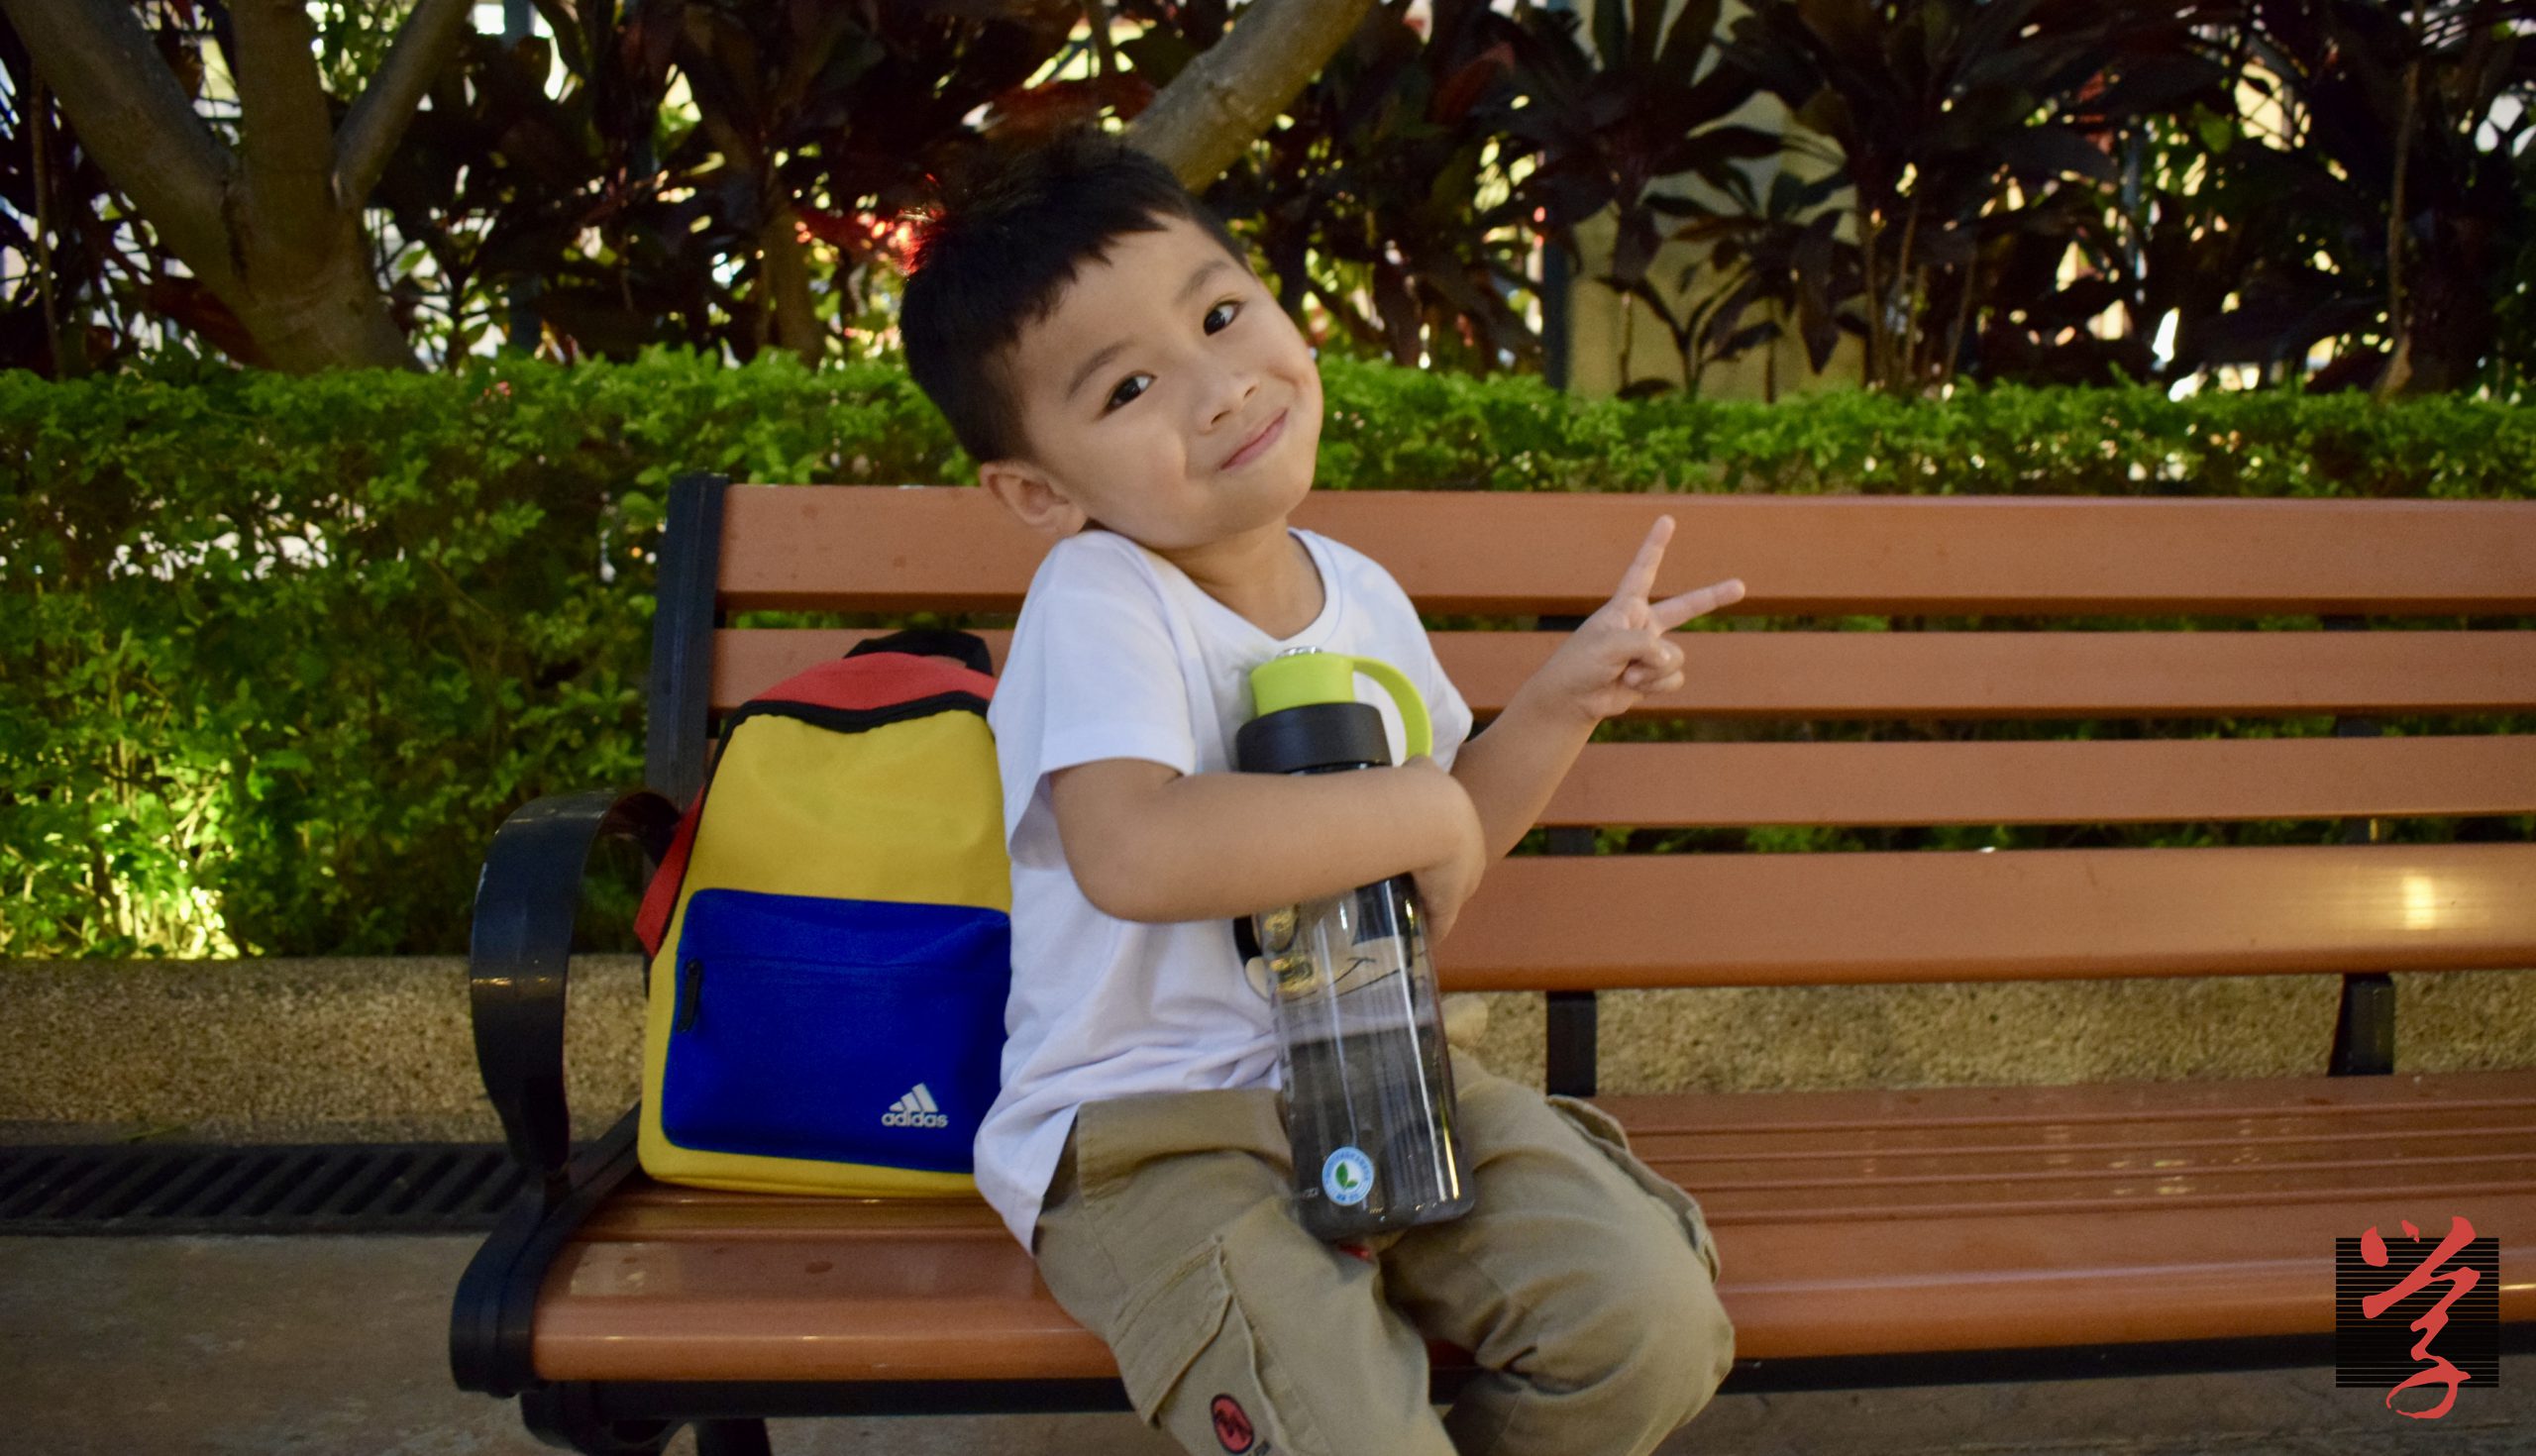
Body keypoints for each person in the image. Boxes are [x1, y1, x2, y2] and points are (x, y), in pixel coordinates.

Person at [898, 123, 1747, 1456]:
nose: (1218, 387)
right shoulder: (1100, 596)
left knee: (1645, 1321)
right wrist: (1417, 812)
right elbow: (1132, 847)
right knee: (1346, 1428)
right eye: (1129, 388)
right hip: (1155, 1134)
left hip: (1388, 1070)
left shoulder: (1360, 591)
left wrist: (1561, 702)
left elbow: (1455, 828)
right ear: (1036, 489)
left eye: (1221, 315)